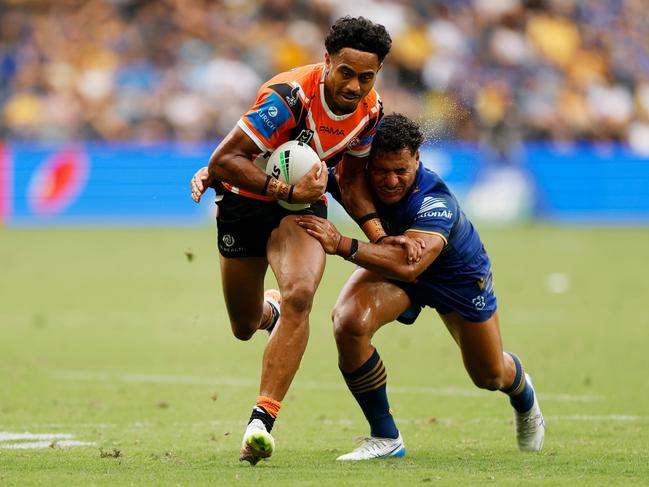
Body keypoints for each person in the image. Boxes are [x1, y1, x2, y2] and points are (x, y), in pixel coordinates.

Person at [189, 16, 394, 465]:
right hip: (244, 203)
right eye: (346, 73)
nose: (355, 86)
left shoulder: (370, 112)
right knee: (244, 326)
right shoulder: (288, 97)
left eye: (367, 77)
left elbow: (353, 180)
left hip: (302, 210)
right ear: (327, 62)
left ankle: (261, 421)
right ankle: (270, 310)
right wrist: (283, 190)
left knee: (302, 294)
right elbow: (223, 160)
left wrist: (379, 235)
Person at [296, 114, 545, 460]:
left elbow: (409, 263)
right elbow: (286, 158)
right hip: (396, 267)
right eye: (382, 171)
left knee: (488, 375)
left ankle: (524, 395)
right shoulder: (351, 173)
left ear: (417, 158)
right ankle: (386, 437)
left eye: (401, 170)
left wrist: (342, 244)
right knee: (349, 321)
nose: (391, 180)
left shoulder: (435, 201)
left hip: (456, 278)